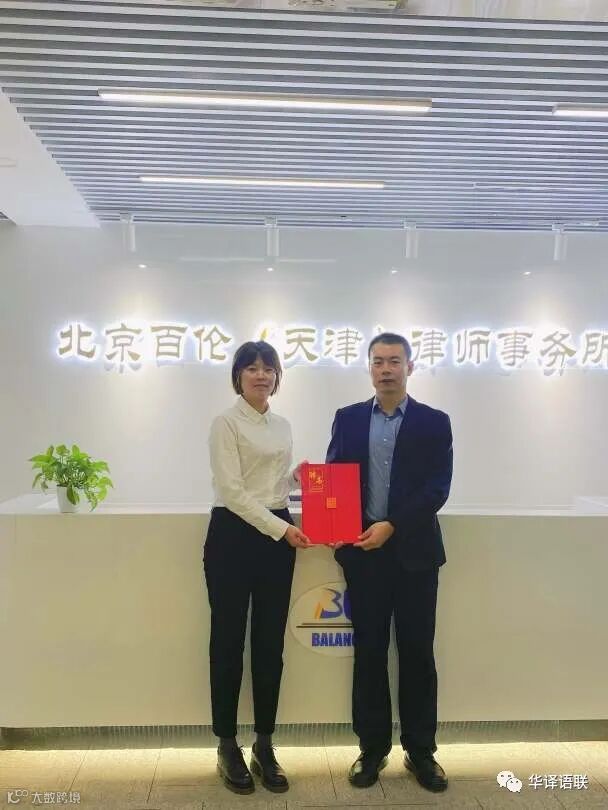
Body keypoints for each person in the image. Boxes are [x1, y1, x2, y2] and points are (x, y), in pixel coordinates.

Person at [326, 332, 453, 793]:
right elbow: (335, 477)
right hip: (364, 556)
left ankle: (421, 752)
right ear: (369, 367)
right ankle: (371, 749)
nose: (385, 369)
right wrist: (331, 519)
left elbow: (437, 488)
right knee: (370, 653)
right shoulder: (348, 418)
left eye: (394, 361)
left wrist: (392, 525)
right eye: (378, 361)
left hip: (416, 556)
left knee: (417, 653)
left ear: (409, 367)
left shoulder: (434, 422)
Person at [204, 340, 310, 795]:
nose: (261, 375)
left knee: (269, 645)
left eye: (269, 368)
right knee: (228, 642)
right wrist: (281, 529)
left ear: (277, 376)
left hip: (275, 537)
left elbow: (270, 487)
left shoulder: (282, 425)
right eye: (252, 368)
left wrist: (297, 479)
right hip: (233, 536)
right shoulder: (225, 423)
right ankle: (226, 744)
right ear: (238, 376)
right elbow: (232, 491)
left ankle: (264, 743)